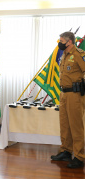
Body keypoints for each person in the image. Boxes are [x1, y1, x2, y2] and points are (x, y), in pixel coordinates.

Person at [51, 31, 85, 168]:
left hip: (75, 95)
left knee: (76, 126)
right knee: (65, 125)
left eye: (61, 41)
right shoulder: (65, 54)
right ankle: (66, 151)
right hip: (64, 94)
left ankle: (79, 156)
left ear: (69, 41)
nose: (59, 43)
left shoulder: (79, 54)